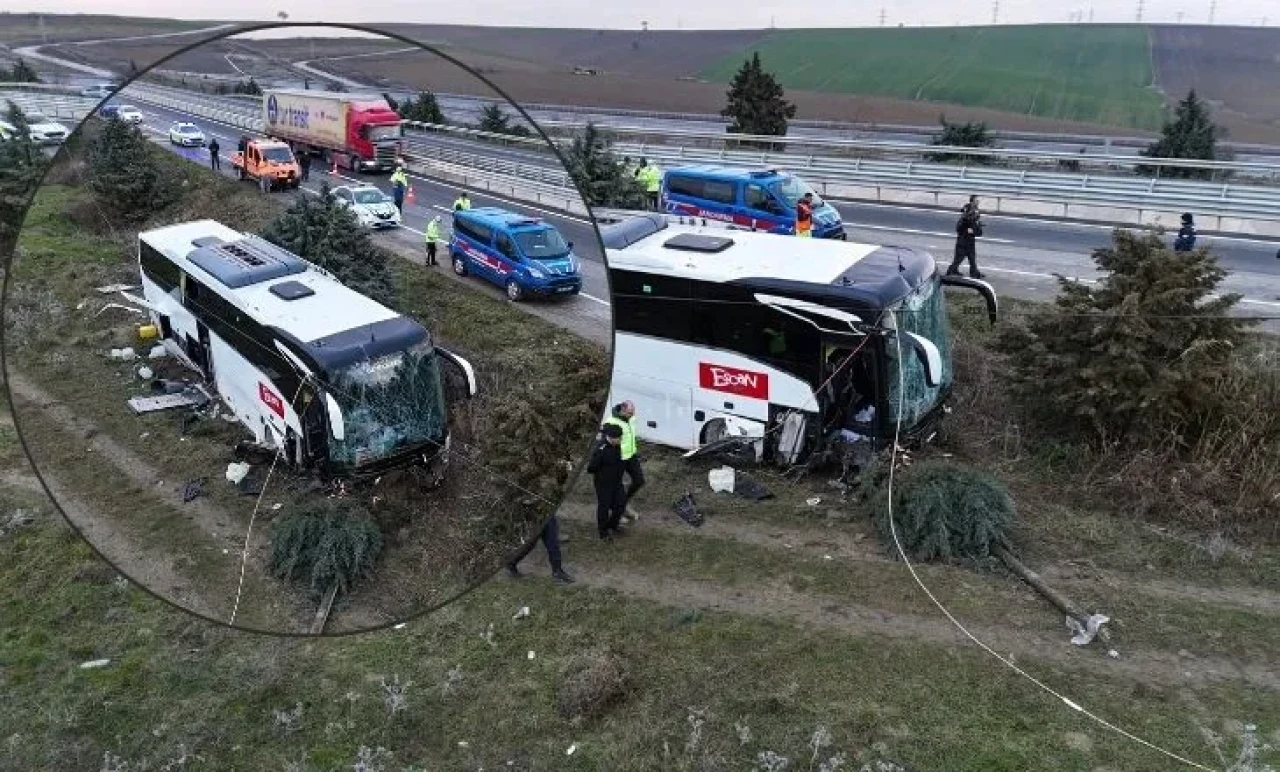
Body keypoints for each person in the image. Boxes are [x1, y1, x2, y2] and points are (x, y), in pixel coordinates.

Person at [603, 401, 644, 519]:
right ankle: (618, 510)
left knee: (639, 480)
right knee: (616, 487)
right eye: (630, 413)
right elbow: (606, 441)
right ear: (622, 410)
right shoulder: (611, 422)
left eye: (633, 412)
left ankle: (623, 504)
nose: (632, 415)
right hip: (618, 458)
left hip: (631, 455)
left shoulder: (631, 418)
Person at [506, 514, 574, 584]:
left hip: (546, 515)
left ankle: (557, 571)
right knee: (530, 544)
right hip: (533, 515)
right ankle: (511, 564)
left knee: (552, 543)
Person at [587, 423, 628, 539]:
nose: (620, 440)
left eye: (621, 437)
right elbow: (591, 468)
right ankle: (603, 532)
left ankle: (613, 525)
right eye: (618, 438)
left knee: (621, 504)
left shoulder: (617, 445)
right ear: (610, 437)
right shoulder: (601, 449)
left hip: (617, 482)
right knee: (604, 507)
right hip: (604, 484)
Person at [947, 195, 984, 279]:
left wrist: (978, 225)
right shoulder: (966, 212)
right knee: (959, 258)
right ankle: (950, 272)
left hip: (970, 240)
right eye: (976, 201)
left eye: (978, 201)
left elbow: (975, 223)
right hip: (963, 240)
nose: (978, 202)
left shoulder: (975, 211)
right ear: (971, 202)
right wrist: (971, 229)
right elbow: (961, 226)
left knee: (972, 257)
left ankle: (974, 273)